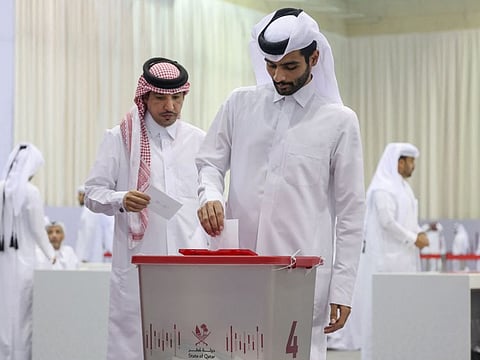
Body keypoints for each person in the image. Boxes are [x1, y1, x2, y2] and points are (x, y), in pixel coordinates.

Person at [195, 8, 366, 360]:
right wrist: (209, 193)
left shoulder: (339, 122)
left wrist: (343, 290)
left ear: (314, 58)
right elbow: (209, 163)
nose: (278, 76)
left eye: (290, 67)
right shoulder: (239, 104)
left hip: (299, 277)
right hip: (236, 268)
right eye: (271, 66)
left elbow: (351, 214)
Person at [84, 57, 208, 360]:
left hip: (187, 262)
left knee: (189, 339)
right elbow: (92, 193)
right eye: (161, 98)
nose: (170, 106)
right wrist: (121, 199)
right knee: (134, 342)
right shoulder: (120, 139)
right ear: (145, 97)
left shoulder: (199, 140)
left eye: (177, 98)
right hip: (139, 263)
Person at [355, 142, 429, 360]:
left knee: (404, 311)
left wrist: (420, 233)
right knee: (382, 312)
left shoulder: (405, 189)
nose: (413, 166)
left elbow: (409, 222)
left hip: (404, 262)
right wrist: (413, 238)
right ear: (399, 162)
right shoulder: (382, 188)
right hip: (384, 264)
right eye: (411, 161)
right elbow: (387, 222)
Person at [0, 143, 56, 360]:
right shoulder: (31, 192)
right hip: (24, 261)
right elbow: (38, 231)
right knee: (23, 313)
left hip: (3, 260)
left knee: (4, 311)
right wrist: (51, 254)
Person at [75, 185, 114, 262]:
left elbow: (89, 234)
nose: (78, 198)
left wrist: (84, 257)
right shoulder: (88, 211)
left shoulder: (89, 212)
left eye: (80, 195)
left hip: (89, 257)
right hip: (92, 254)